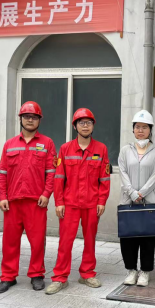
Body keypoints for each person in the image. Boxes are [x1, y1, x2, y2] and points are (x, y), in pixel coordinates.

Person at [45, 108, 111, 295]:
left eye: (88, 122)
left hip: (92, 204)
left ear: (93, 126)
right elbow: (59, 177)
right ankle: (60, 277)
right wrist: (59, 202)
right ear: (75, 126)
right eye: (81, 123)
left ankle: (87, 273)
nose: (85, 126)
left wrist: (102, 201)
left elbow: (105, 178)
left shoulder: (101, 149)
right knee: (65, 242)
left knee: (90, 240)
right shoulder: (65, 149)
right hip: (70, 204)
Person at [0, 101, 56, 293]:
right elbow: (2, 172)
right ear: (20, 119)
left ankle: (36, 274)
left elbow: (51, 172)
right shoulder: (10, 144)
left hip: (36, 202)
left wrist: (46, 194)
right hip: (12, 202)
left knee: (37, 242)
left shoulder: (47, 143)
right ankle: (8, 276)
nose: (30, 120)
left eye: (34, 117)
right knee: (9, 242)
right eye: (27, 117)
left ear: (39, 120)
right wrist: (2, 196)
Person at [118, 110, 155, 287]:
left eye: (145, 127)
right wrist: (132, 193)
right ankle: (131, 270)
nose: (141, 130)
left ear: (150, 129)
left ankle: (145, 271)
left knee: (147, 237)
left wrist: (141, 193)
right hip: (127, 200)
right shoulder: (125, 150)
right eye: (137, 127)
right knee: (128, 237)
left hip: (149, 200)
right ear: (133, 129)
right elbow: (122, 173)